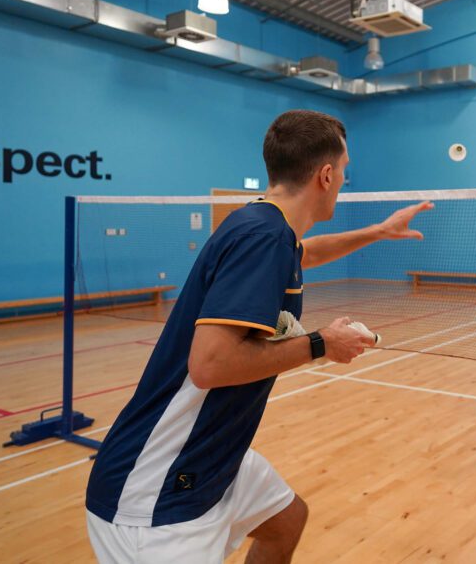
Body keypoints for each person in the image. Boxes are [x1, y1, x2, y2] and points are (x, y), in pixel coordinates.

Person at [85, 109, 432, 562]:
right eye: (344, 170)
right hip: (160, 484)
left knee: (286, 521)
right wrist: (322, 344)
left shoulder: (263, 225)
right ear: (326, 175)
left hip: (215, 455)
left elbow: (306, 253)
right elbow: (210, 365)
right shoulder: (263, 238)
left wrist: (379, 231)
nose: (344, 181)